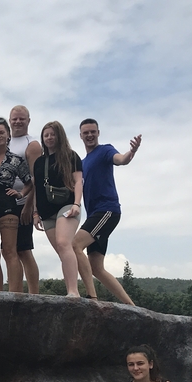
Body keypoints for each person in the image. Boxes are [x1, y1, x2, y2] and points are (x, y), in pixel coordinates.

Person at [0, 93, 42, 293]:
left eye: (21, 119)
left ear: (28, 121)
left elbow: (34, 180)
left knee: (17, 251)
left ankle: (25, 295)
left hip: (14, 205)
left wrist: (29, 203)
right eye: (15, 119)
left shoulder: (31, 146)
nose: (18, 122)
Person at [73, 119, 142, 304]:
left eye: (93, 131)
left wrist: (132, 152)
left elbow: (121, 159)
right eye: (86, 132)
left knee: (75, 245)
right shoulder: (82, 163)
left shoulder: (104, 150)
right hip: (95, 214)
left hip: (107, 211)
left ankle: (92, 298)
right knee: (96, 267)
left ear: (98, 133)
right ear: (80, 135)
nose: (89, 135)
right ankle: (132, 307)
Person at [30, 121, 83, 297]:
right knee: (62, 251)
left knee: (63, 243)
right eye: (46, 135)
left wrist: (77, 203)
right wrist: (36, 212)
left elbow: (78, 182)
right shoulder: (39, 162)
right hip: (46, 212)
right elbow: (37, 188)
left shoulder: (71, 156)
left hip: (67, 206)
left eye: (53, 134)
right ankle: (70, 290)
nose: (49, 138)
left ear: (59, 136)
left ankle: (74, 291)